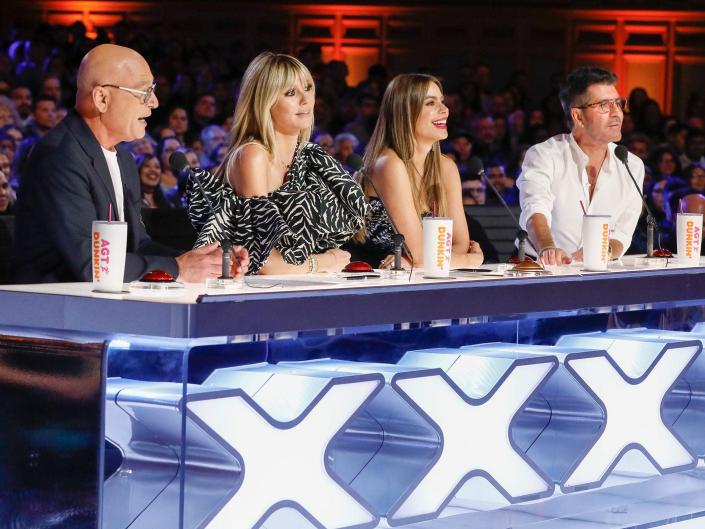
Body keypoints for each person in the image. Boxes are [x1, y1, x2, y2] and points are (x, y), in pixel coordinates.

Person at [14, 44, 247, 283]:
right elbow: (90, 264)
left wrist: (203, 264)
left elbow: (138, 246)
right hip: (54, 300)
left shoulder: (124, 159)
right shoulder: (60, 157)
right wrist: (178, 268)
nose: (154, 102)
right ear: (102, 98)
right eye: (144, 91)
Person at [188, 52, 368, 275]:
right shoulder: (253, 155)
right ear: (265, 102)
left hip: (301, 283)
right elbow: (264, 262)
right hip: (250, 288)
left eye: (308, 88)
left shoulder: (309, 156)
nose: (306, 100)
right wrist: (325, 261)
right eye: (291, 93)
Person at [354, 73, 484, 269]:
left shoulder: (446, 168)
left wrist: (415, 262)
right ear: (406, 112)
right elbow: (420, 256)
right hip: (367, 279)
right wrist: (471, 260)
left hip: (419, 279)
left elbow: (459, 245)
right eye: (431, 103)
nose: (445, 109)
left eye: (442, 101)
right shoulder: (388, 164)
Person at [518, 66, 644, 265]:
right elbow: (534, 209)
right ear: (578, 116)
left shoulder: (632, 165)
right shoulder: (544, 155)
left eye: (618, 103)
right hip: (540, 266)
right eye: (604, 105)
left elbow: (623, 232)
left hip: (599, 269)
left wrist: (605, 250)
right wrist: (547, 248)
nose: (617, 113)